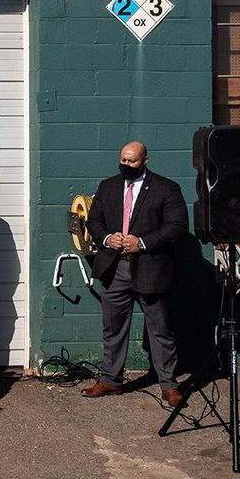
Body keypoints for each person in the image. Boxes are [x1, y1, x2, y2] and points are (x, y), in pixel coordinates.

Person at [82, 141, 188, 406]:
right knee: (113, 327)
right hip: (114, 267)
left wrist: (141, 242)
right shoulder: (108, 186)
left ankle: (168, 384)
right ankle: (110, 380)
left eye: (132, 161)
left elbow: (177, 226)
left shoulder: (166, 188)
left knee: (160, 329)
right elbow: (93, 221)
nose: (126, 165)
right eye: (123, 160)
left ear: (145, 161)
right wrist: (107, 238)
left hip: (151, 268)